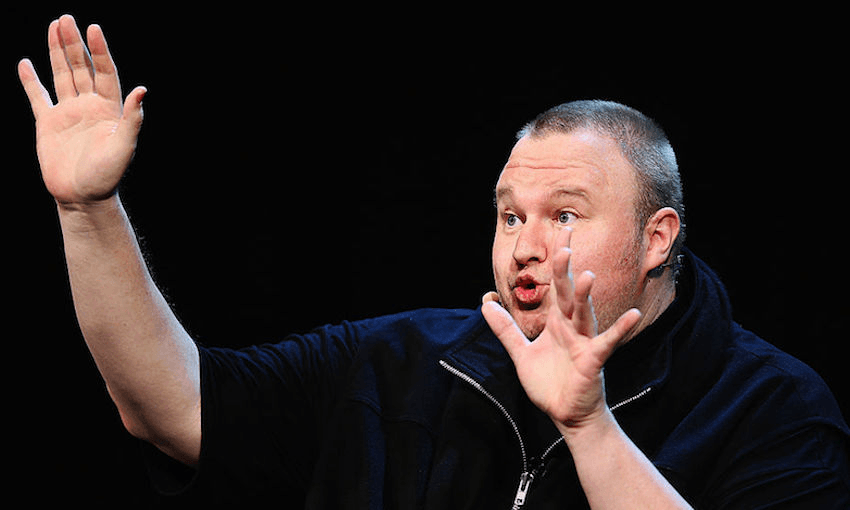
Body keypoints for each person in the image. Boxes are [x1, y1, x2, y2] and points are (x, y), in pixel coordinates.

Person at [18, 15, 850, 509]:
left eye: (564, 216)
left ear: (658, 237)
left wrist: (589, 428)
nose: (525, 246)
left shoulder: (773, 408)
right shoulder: (399, 365)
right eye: (509, 214)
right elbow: (170, 406)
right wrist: (87, 210)